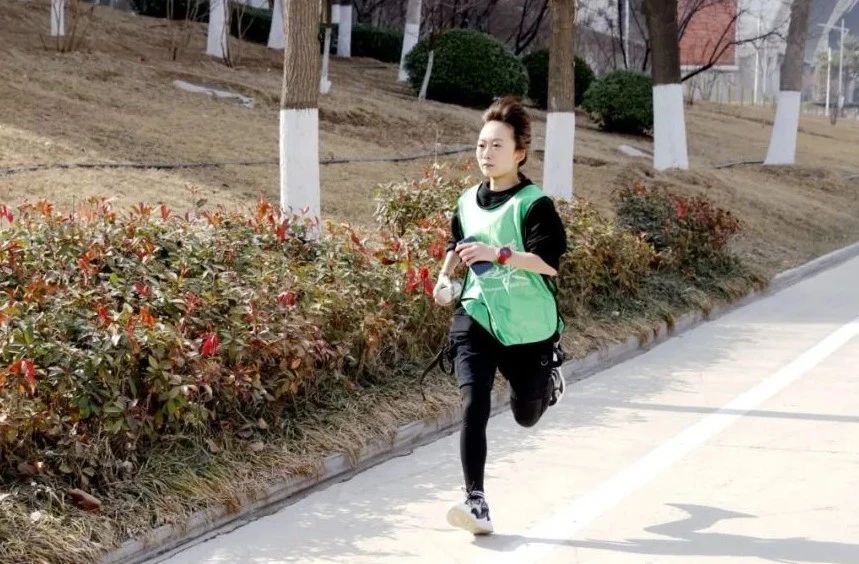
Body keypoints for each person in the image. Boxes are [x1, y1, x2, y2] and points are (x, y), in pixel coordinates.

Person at [432, 96, 568, 535]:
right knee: (474, 401)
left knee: (526, 414)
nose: (486, 154)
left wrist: (498, 254)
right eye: (481, 145)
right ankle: (476, 501)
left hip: (527, 325)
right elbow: (457, 243)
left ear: (519, 153)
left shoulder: (534, 204)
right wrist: (444, 277)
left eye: (496, 146)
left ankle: (547, 381)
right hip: (478, 313)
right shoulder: (466, 201)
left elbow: (548, 263)